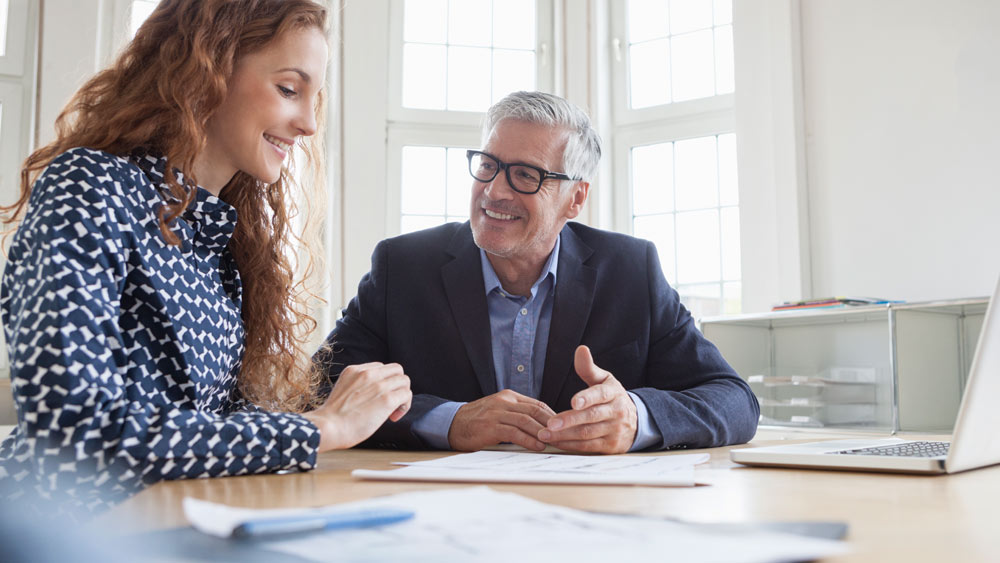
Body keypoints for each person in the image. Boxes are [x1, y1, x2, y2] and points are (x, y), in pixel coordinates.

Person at [0, 0, 411, 514]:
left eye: (315, 98)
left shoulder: (222, 239)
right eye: (289, 89)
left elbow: (219, 430)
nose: (308, 123)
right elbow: (75, 438)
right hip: (53, 531)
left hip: (172, 524)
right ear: (209, 70)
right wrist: (321, 426)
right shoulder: (89, 187)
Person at [324, 91, 759, 454]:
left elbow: (734, 400)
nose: (495, 191)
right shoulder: (402, 268)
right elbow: (320, 391)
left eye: (525, 175)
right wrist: (448, 420)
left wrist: (636, 418)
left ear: (575, 199)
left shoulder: (631, 271)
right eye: (488, 165)